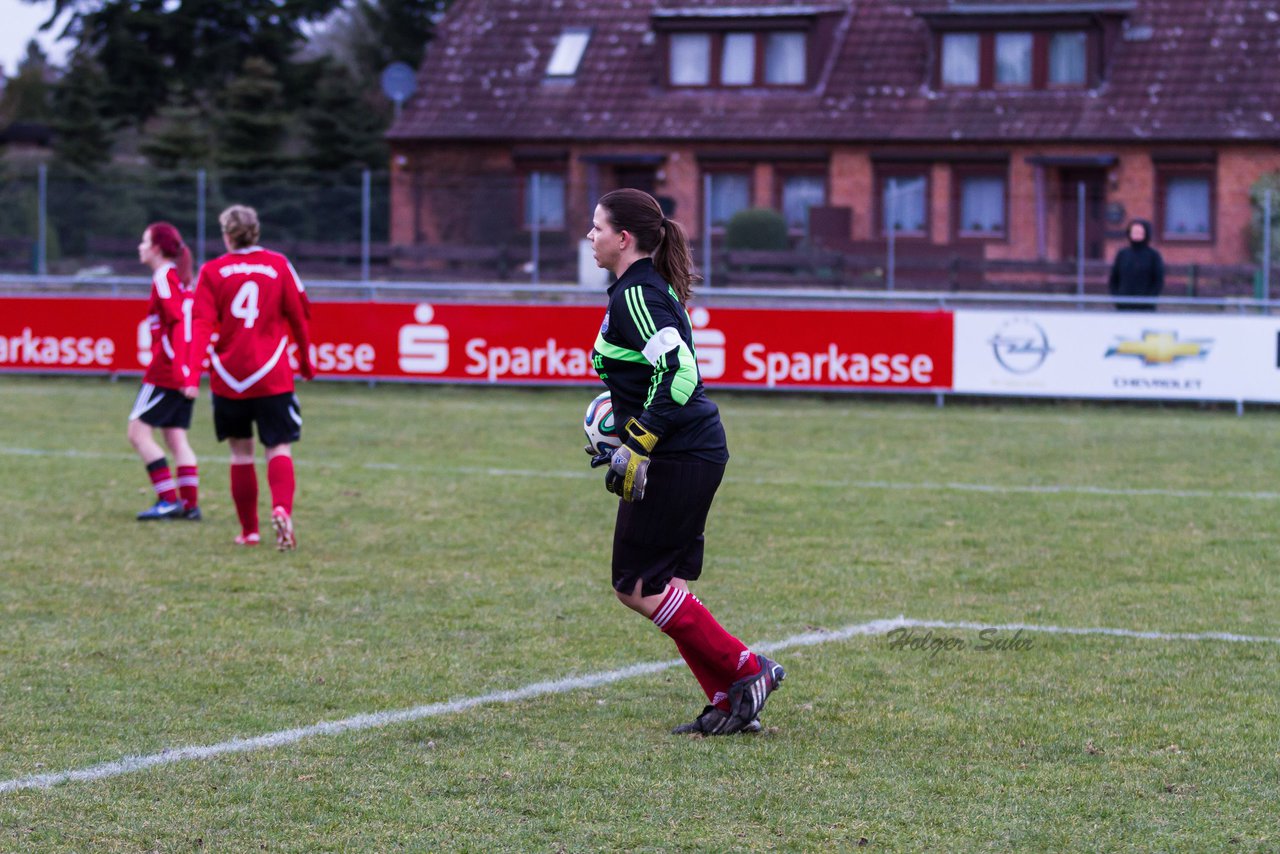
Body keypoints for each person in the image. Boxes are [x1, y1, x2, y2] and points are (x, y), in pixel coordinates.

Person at [586, 188, 785, 735]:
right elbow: (654, 376)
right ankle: (728, 702)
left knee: (637, 586)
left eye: (597, 227)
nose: (590, 236)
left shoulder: (638, 296)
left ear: (623, 239)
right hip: (688, 450)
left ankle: (749, 671)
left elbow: (680, 376)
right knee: (658, 584)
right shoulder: (639, 290)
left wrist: (640, 440)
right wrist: (623, 430)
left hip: (681, 453)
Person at [185, 205, 315, 550]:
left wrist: (191, 371)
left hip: (230, 375)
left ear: (227, 235)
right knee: (278, 446)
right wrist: (306, 360)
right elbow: (300, 315)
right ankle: (282, 509)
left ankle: (249, 531)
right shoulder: (278, 265)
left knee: (241, 454)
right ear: (256, 232)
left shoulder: (213, 270)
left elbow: (199, 324)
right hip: (271, 372)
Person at [129, 222, 201, 521]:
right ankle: (190, 505)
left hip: (166, 372)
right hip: (183, 370)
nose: (140, 247)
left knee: (137, 433)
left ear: (157, 248)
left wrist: (182, 371)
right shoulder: (180, 279)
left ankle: (168, 501)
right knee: (175, 438)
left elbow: (176, 321)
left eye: (145, 241)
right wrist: (191, 371)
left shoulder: (163, 277)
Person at [1108, 219, 1165, 311]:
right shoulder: (1122, 254)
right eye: (1134, 232)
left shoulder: (1153, 255)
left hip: (1146, 308)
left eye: (1139, 232)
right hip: (1123, 306)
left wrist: (1149, 301)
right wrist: (1117, 300)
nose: (1136, 234)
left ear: (1146, 233)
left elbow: (1158, 281)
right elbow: (1114, 279)